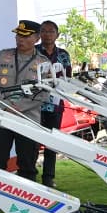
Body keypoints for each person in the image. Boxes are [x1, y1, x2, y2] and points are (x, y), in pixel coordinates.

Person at [0, 21, 51, 181]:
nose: (20, 39)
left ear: (36, 38)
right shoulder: (2, 56)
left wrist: (17, 107)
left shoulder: (43, 63)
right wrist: (6, 107)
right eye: (18, 35)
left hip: (28, 120)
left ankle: (28, 196)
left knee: (27, 166)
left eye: (25, 36)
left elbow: (43, 93)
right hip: (2, 118)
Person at [36, 20, 72, 188]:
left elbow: (68, 78)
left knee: (52, 142)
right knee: (33, 142)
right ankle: (29, 176)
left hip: (56, 105)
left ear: (57, 35)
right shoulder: (33, 52)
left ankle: (48, 178)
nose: (47, 34)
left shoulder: (63, 55)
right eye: (44, 31)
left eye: (51, 31)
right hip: (35, 105)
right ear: (39, 34)